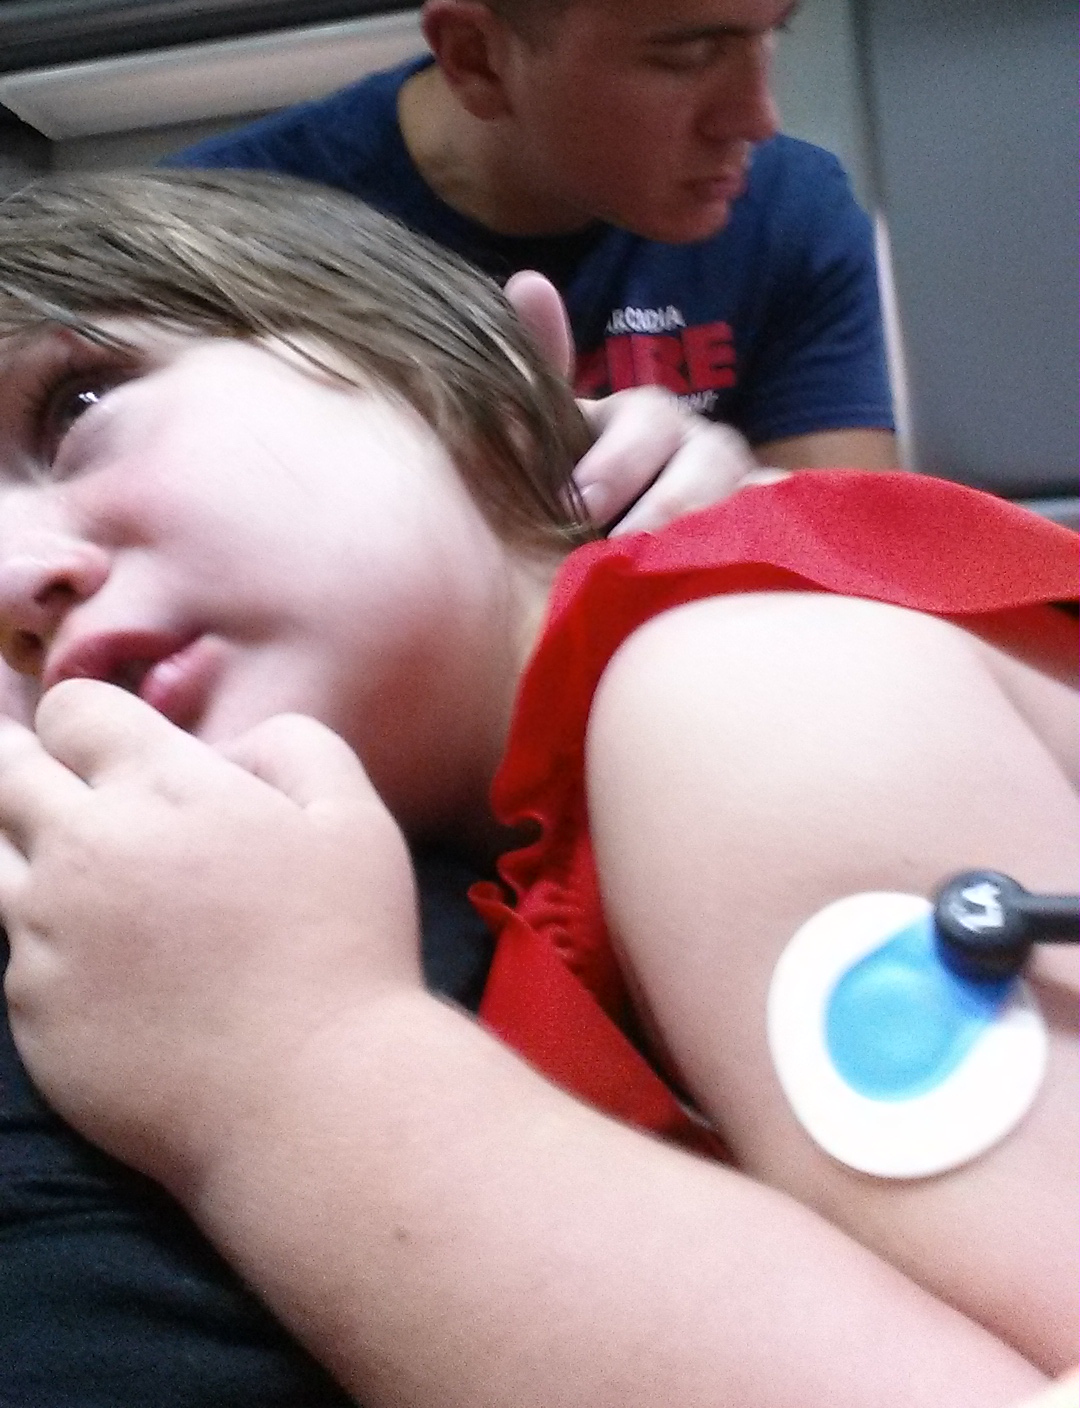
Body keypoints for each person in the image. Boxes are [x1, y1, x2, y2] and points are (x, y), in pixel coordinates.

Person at [0, 171, 1076, 1407]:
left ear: (471, 382)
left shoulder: (741, 694)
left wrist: (291, 1078)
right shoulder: (557, 827)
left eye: (77, 406)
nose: (16, 581)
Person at [170, 0, 897, 499]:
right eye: (688, 54)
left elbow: (853, 558)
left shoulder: (793, 216)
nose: (757, 119)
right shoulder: (207, 249)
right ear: (478, 59)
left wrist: (744, 513)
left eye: (774, 30)